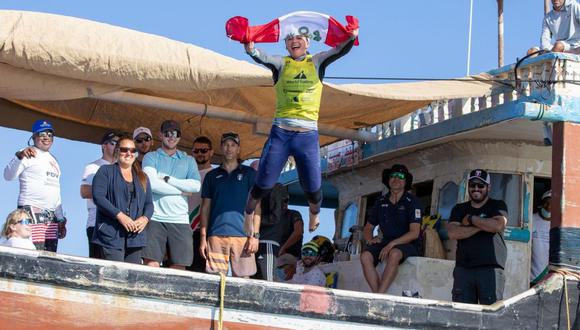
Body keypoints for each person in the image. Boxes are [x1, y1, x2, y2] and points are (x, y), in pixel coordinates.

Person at [242, 27, 359, 234]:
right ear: (285, 44)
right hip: (281, 134)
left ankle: (315, 212)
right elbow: (261, 56)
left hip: (306, 136)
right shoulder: (281, 63)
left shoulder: (317, 61)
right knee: (264, 184)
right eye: (289, 39)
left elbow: (339, 50)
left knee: (313, 189)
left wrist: (352, 36)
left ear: (308, 42)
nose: (294, 41)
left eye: (299, 38)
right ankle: (249, 212)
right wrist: (250, 48)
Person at [142, 120, 201, 270]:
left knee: (179, 267)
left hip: (180, 219)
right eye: (167, 133)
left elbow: (195, 186)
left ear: (180, 136)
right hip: (154, 218)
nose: (171, 137)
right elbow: (152, 185)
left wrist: (169, 180)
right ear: (160, 135)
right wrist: (181, 190)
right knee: (151, 264)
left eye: (175, 133)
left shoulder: (189, 160)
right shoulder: (151, 157)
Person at [199, 132, 259, 278]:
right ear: (221, 147)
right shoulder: (211, 176)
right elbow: (205, 208)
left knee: (244, 282)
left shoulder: (250, 173)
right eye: (226, 145)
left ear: (238, 149)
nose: (229, 148)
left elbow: (257, 207)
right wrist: (203, 237)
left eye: (233, 145)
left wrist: (255, 236)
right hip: (216, 236)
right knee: (216, 281)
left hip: (243, 237)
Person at [3, 119, 66, 252]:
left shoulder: (54, 160)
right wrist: (19, 156)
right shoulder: (27, 152)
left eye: (50, 134)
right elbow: (8, 176)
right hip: (31, 211)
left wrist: (60, 219)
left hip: (51, 217)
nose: (46, 137)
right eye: (42, 134)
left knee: (49, 258)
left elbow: (56, 191)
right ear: (34, 137)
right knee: (33, 254)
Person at [447, 169, 508, 305]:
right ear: (468, 186)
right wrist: (484, 225)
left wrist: (470, 219)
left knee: (491, 315)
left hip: (490, 269)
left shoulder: (497, 205)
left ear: (488, 187)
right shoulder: (459, 208)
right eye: (472, 185)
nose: (476, 189)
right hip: (464, 269)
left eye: (480, 185)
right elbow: (453, 233)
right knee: (462, 315)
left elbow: (498, 225)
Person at [360, 164, 422, 294]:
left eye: (400, 176)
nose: (396, 178)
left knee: (394, 254)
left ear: (406, 182)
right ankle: (378, 295)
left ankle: (380, 296)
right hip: (386, 242)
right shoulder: (381, 201)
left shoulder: (413, 201)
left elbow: (414, 233)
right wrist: (370, 239)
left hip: (409, 244)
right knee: (365, 256)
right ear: (388, 180)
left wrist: (392, 244)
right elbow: (368, 228)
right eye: (393, 176)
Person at [92, 137, 153, 263]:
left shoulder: (143, 177)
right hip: (111, 234)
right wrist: (120, 216)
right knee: (115, 275)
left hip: (135, 236)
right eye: (125, 150)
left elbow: (149, 204)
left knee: (132, 278)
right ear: (117, 151)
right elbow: (98, 197)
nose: (129, 153)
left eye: (132, 150)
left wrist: (145, 218)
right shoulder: (105, 171)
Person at [80, 131, 120, 258]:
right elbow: (84, 191)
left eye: (119, 144)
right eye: (114, 143)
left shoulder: (123, 168)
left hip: (118, 224)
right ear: (104, 146)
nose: (117, 147)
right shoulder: (93, 166)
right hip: (97, 223)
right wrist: (110, 192)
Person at [187, 136, 214, 272]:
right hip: (185, 231)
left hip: (205, 231)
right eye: (196, 151)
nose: (200, 154)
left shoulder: (215, 175)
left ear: (211, 152)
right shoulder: (186, 174)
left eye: (204, 150)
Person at [531, 189, 552, 286]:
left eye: (552, 204)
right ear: (541, 204)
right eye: (546, 203)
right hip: (532, 276)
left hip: (550, 276)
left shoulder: (559, 224)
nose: (549, 207)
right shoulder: (532, 219)